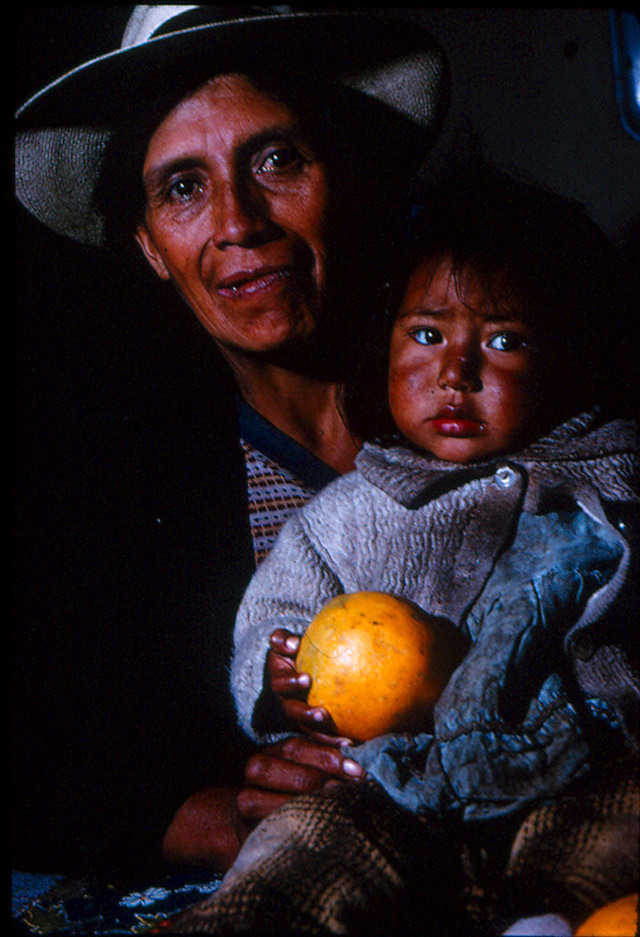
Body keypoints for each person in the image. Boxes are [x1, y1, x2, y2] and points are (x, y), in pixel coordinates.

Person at [14, 6, 449, 878]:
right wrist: (211, 813)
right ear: (148, 246)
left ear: (350, 174)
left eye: (278, 159)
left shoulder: (485, 394)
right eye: (182, 186)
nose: (238, 221)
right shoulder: (115, 485)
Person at [167, 162, 639, 934]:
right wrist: (276, 674)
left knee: (617, 839)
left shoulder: (615, 474)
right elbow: (277, 609)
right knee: (306, 847)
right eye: (426, 333)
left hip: (586, 762)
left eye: (505, 340)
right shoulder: (355, 508)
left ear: (565, 355)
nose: (456, 372)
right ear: (382, 343)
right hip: (395, 776)